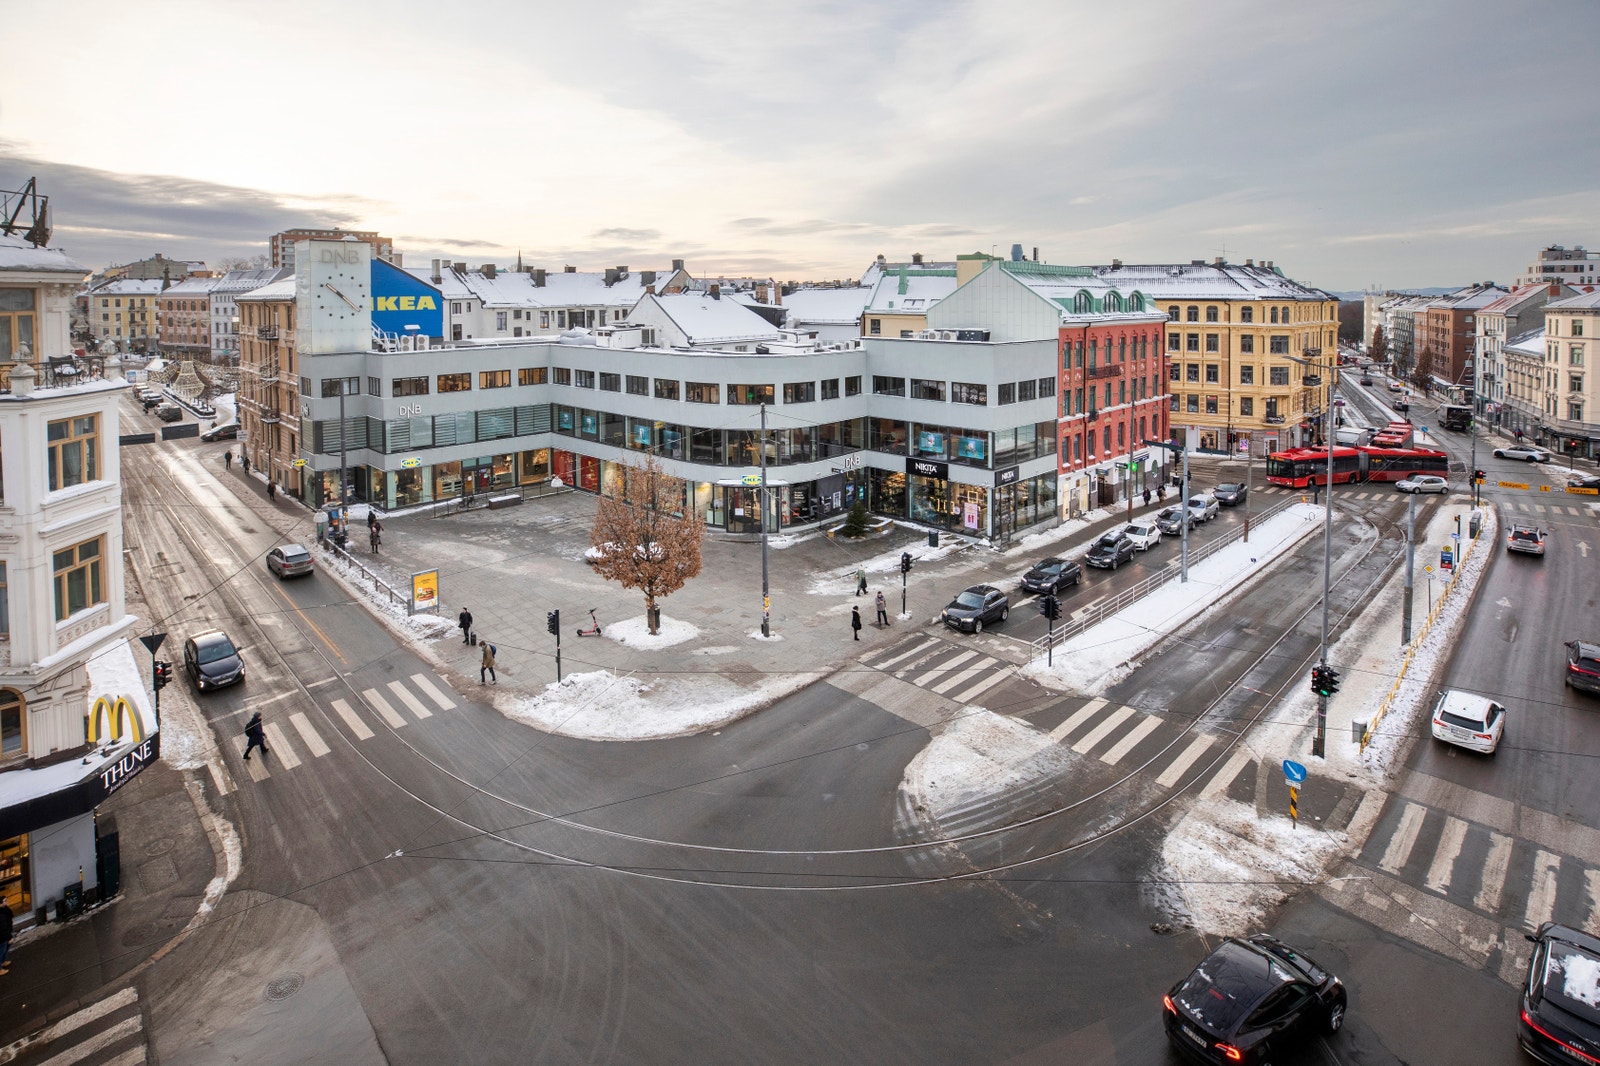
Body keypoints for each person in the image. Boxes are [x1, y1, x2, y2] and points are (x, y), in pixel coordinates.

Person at [0, 902, 12, 975]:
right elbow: (3, 927)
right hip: (2, 937)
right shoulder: (1, 915)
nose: (7, 902)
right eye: (5, 901)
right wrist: (9, 937)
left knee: (4, 948)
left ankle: (3, 961)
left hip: (4, 935)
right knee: (1, 951)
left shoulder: (4, 910)